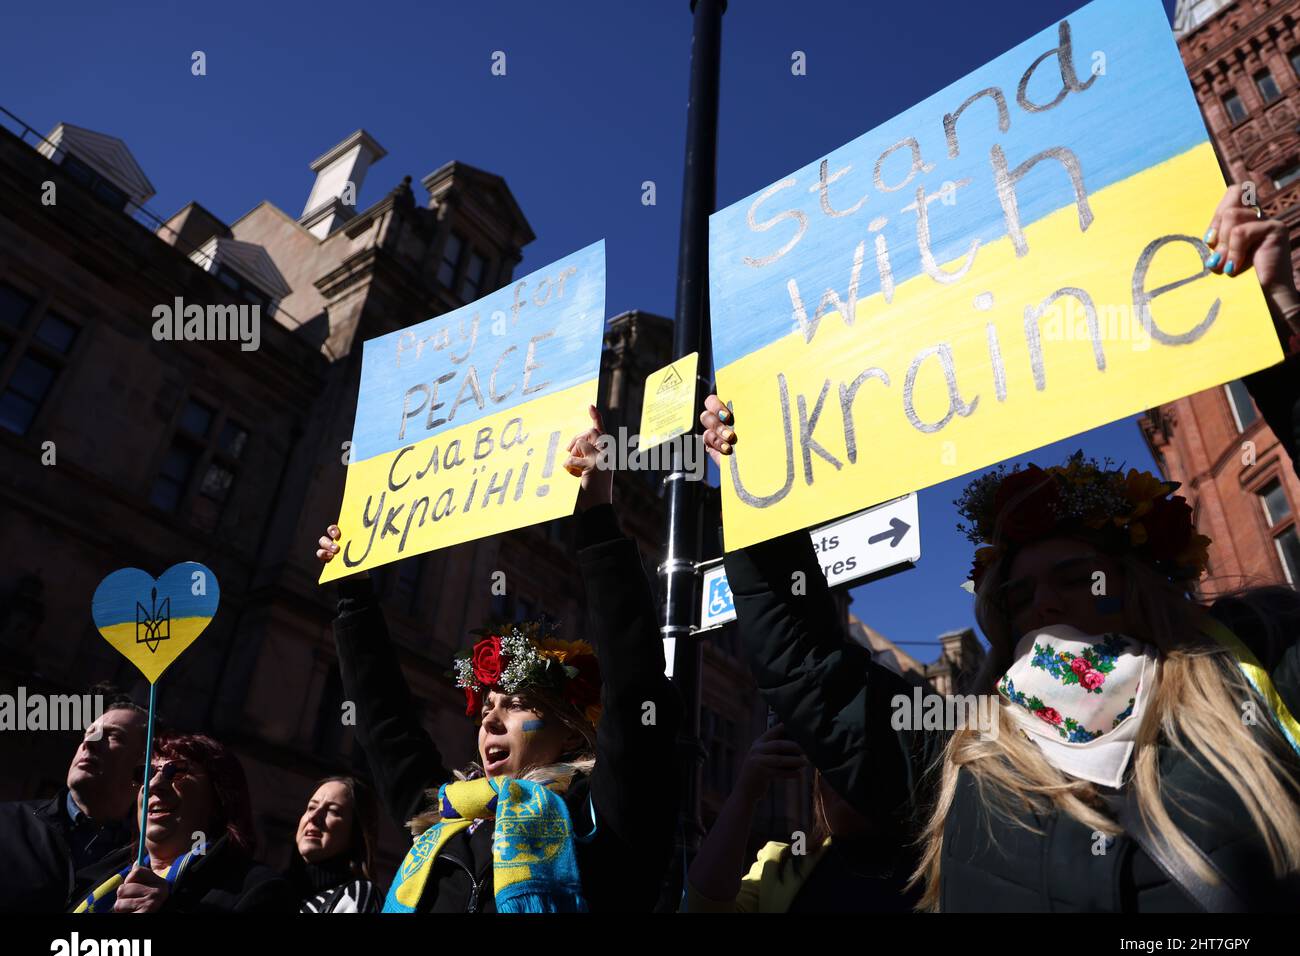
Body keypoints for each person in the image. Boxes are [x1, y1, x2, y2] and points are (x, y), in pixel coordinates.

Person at [699, 184, 1300, 912]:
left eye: (1075, 577)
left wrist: (1280, 329)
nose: (1044, 599)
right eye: (1017, 593)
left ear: (1137, 579)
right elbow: (801, 662)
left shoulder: (1255, 669)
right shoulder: (958, 753)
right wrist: (758, 470)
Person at [316, 406, 682, 912]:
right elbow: (387, 727)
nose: (490, 716)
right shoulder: (441, 817)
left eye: (514, 704)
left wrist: (596, 507)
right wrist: (353, 592)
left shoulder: (604, 811)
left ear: (573, 733)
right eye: (487, 706)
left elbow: (632, 676)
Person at [686, 722, 920, 912]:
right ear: (818, 791)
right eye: (836, 762)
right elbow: (701, 908)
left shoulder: (932, 865)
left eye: (867, 763)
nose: (850, 776)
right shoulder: (778, 865)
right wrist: (746, 793)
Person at [73, 732, 298, 913]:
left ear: (219, 797)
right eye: (147, 773)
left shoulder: (260, 890)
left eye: (176, 771)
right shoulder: (97, 874)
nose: (154, 784)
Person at [0, 690, 145, 913]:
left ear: (144, 765)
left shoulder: (149, 862)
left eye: (112, 736)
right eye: (89, 733)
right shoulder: (8, 824)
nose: (89, 742)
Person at [288, 775, 382, 913]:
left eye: (332, 811)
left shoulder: (355, 895)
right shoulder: (271, 888)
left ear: (356, 832)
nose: (313, 817)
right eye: (311, 807)